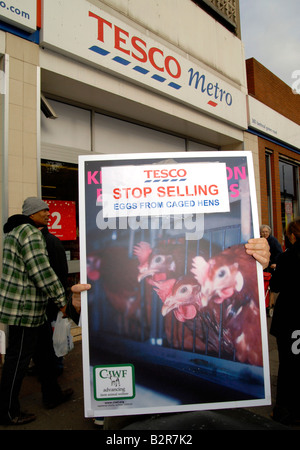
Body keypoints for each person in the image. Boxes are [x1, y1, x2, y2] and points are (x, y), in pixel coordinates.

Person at [0, 198, 73, 426]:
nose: (49, 213)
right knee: (17, 360)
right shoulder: (30, 233)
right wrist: (63, 301)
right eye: (44, 210)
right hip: (25, 309)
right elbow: (41, 270)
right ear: (32, 213)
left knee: (45, 353)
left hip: (31, 308)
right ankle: (7, 411)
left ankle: (52, 395)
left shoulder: (13, 233)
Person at [269, 219, 300, 426]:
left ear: (292, 235)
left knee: (288, 365)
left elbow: (276, 285)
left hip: (290, 316)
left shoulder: (288, 257)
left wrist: (275, 269)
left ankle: (284, 411)